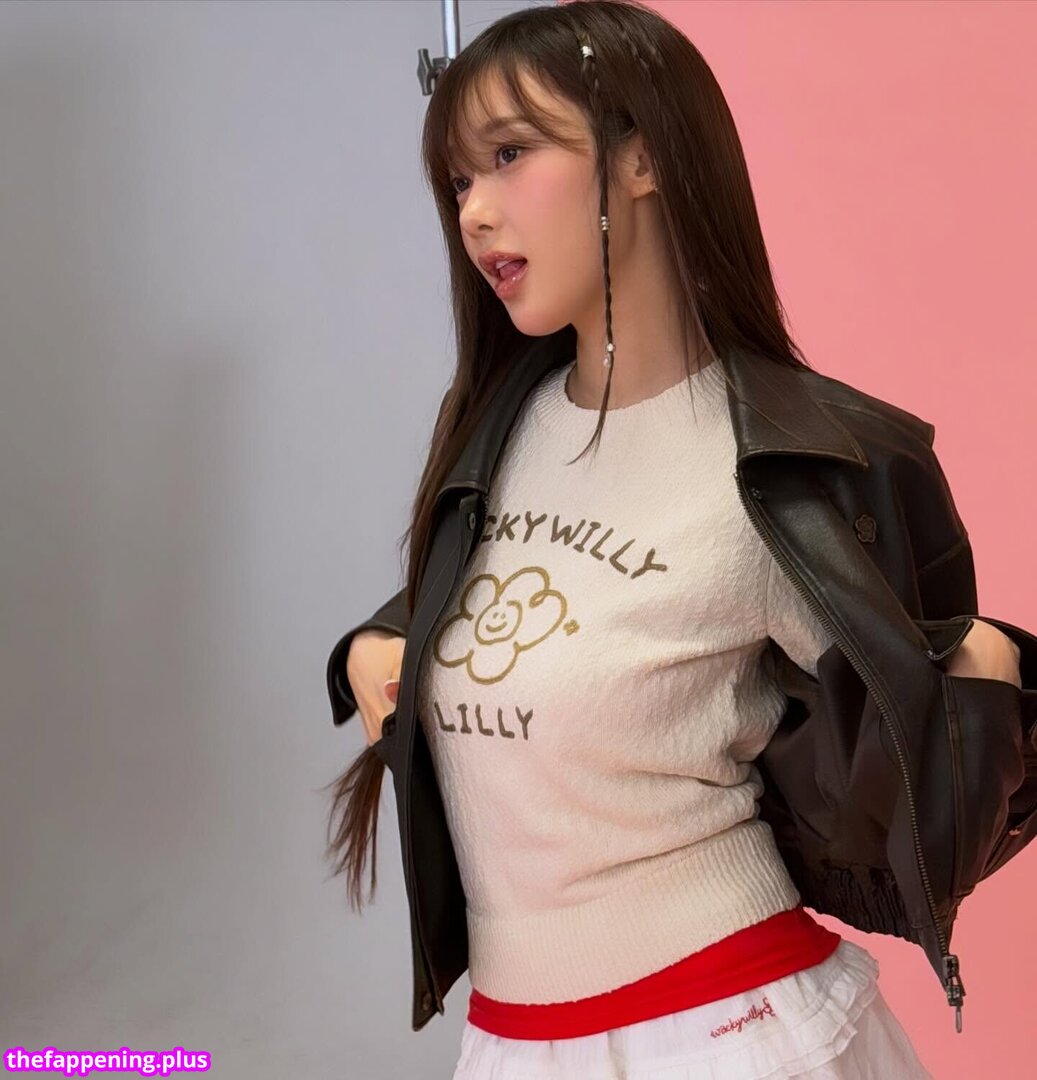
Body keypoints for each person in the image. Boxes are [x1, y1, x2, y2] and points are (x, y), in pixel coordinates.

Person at [325, 2, 1026, 1076]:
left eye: (509, 155)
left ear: (641, 155)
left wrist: (987, 673)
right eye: (458, 180)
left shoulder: (793, 469)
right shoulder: (499, 431)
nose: (473, 213)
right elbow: (560, 611)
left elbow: (911, 799)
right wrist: (386, 639)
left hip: (724, 1031)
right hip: (513, 1039)